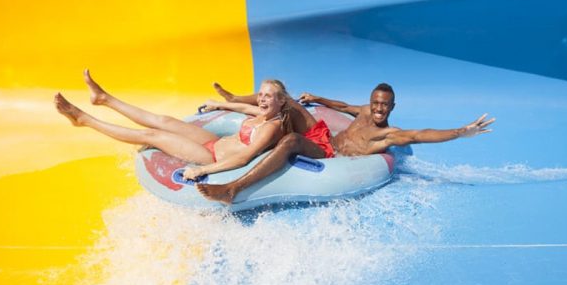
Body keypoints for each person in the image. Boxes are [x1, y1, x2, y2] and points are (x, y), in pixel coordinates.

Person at [196, 82, 494, 204]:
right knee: (284, 97)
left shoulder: (388, 134)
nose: (378, 109)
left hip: (329, 155)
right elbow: (344, 107)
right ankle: (235, 99)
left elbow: (422, 134)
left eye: (384, 106)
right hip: (325, 136)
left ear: (392, 107)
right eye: (376, 103)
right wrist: (317, 100)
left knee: (290, 140)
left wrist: (460, 131)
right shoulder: (364, 110)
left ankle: (234, 188)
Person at [54, 70, 292, 180]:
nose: (261, 99)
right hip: (214, 142)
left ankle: (83, 119)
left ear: (281, 101)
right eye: (260, 95)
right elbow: (243, 107)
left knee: (152, 134)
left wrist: (201, 170)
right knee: (164, 121)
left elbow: (243, 159)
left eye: (268, 96)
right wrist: (219, 105)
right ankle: (104, 98)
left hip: (212, 158)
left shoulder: (271, 127)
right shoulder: (262, 113)